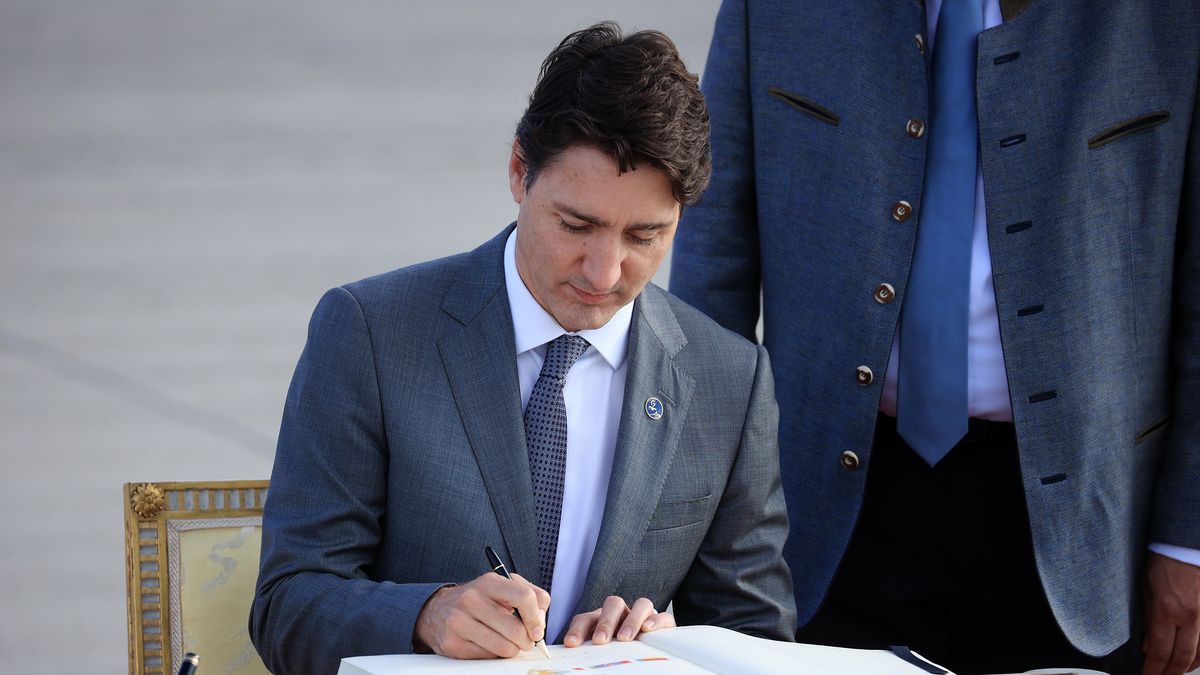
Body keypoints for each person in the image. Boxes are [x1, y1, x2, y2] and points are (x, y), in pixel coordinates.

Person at [669, 1, 1200, 674]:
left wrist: (1188, 538)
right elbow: (712, 264)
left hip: (1088, 523)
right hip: (821, 511)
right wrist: (700, 516)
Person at [249, 22, 796, 675]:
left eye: (645, 236)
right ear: (518, 171)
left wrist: (670, 641)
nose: (604, 271)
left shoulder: (729, 379)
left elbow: (759, 636)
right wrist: (425, 616)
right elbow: (288, 602)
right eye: (576, 225)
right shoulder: (371, 332)